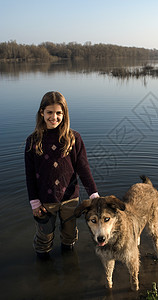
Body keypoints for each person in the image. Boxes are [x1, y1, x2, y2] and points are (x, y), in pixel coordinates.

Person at [25, 91, 99, 259]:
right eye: (49, 112)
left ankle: (69, 266)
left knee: (70, 234)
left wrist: (93, 194)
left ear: (64, 114)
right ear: (41, 112)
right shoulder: (33, 141)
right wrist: (34, 202)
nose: (54, 117)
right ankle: (43, 270)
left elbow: (83, 168)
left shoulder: (73, 138)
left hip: (70, 199)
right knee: (44, 236)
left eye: (59, 113)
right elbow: (29, 174)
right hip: (45, 200)